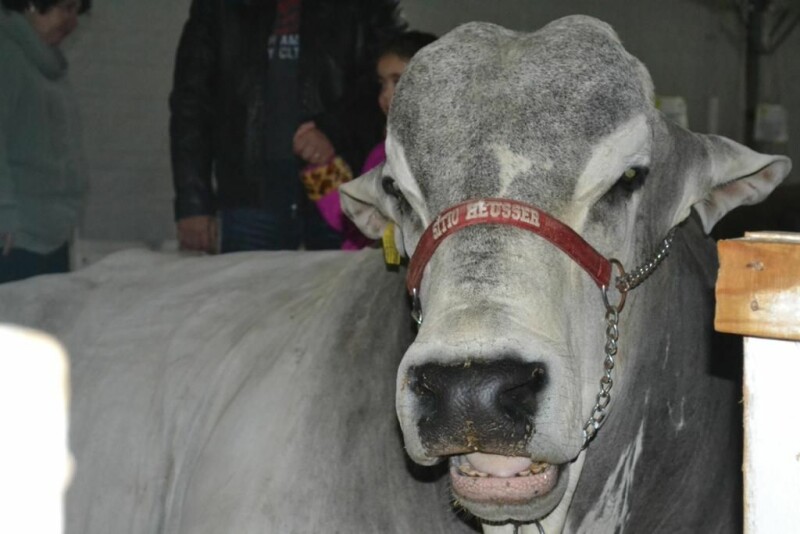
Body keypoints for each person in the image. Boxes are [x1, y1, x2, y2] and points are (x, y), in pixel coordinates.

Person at [169, 0, 406, 253]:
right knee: (252, 292)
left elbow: (390, 82)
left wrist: (332, 131)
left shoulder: (364, 7)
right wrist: (193, 203)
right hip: (249, 196)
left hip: (343, 188)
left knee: (348, 291)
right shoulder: (219, 7)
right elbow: (191, 104)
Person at [315, 30, 437, 250]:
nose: (386, 95)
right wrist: (322, 166)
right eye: (382, 84)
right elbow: (349, 216)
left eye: (398, 81)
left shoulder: (442, 157)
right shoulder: (381, 152)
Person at [0, 0, 90, 283]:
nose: (72, 22)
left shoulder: (48, 64)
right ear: (30, 4)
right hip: (15, 239)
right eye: (65, 7)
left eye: (77, 11)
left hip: (50, 235)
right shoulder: (6, 54)